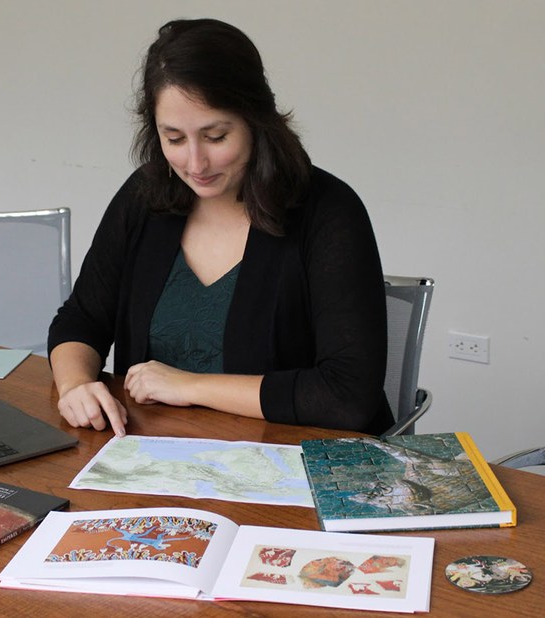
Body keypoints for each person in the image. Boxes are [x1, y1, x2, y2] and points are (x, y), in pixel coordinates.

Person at [48, 18, 392, 437]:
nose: (195, 164)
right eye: (173, 139)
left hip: (295, 464)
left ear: (255, 120)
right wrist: (75, 386)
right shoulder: (146, 197)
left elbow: (347, 396)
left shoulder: (329, 212)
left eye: (215, 136)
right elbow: (81, 319)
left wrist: (191, 386)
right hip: (156, 459)